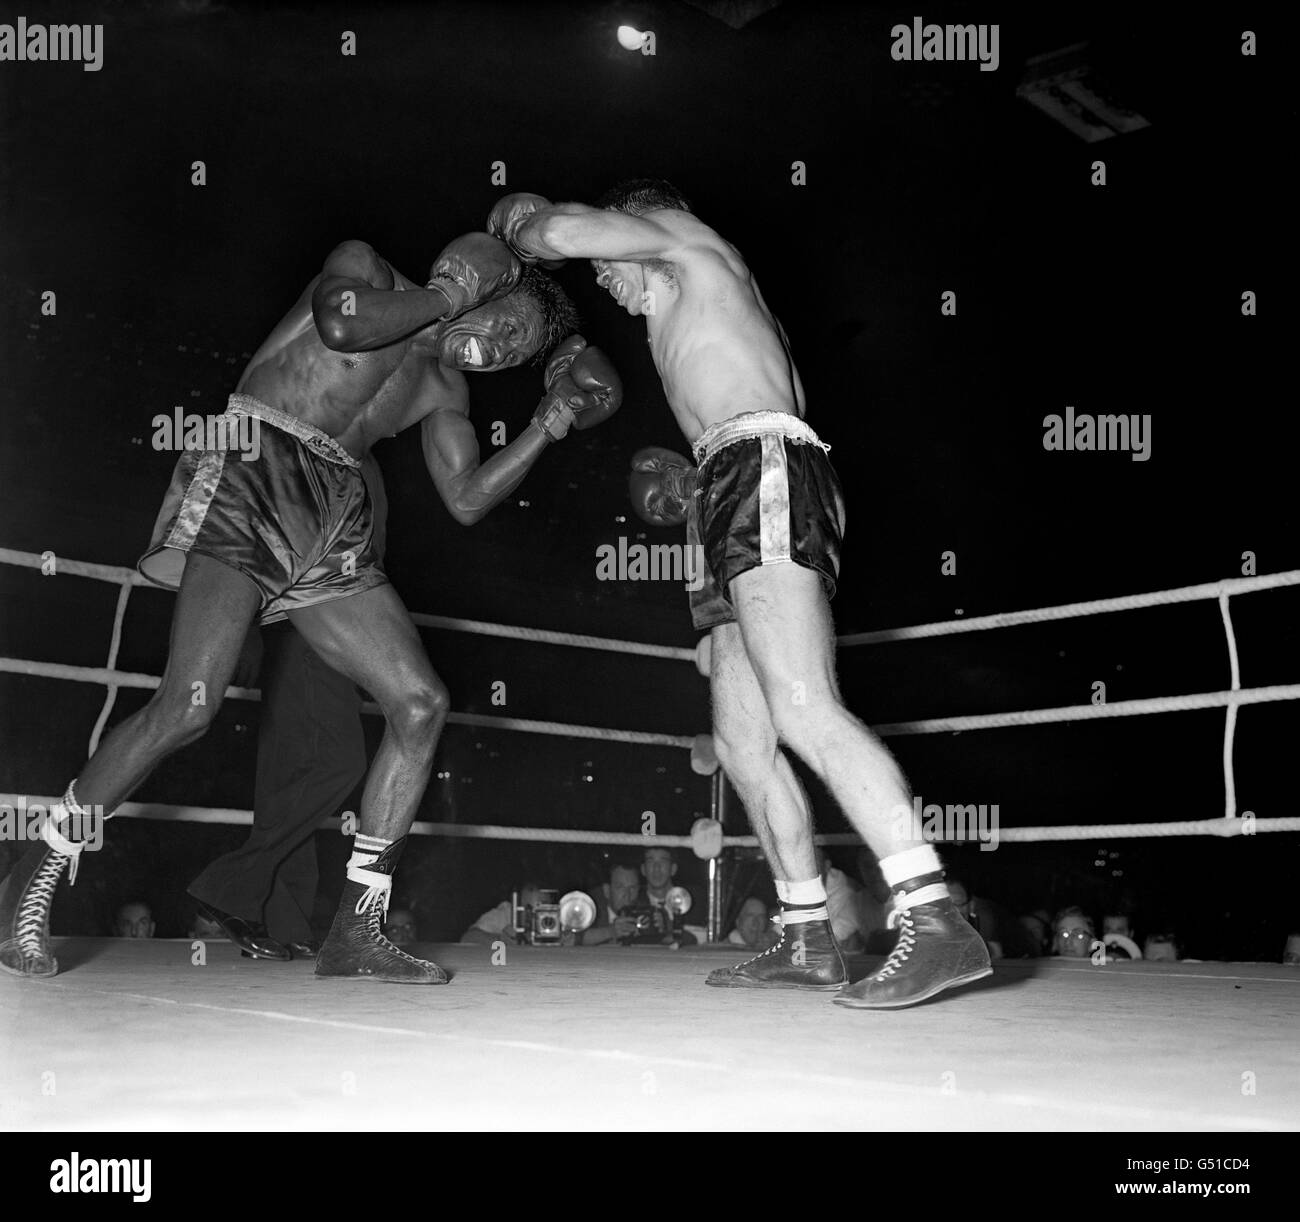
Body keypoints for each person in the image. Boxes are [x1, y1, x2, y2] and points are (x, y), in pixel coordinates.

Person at [0, 231, 620, 986]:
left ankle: (357, 930)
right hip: (261, 457)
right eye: (511, 330)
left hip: (336, 514)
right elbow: (342, 324)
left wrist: (545, 425)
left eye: (520, 358)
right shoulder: (364, 266)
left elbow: (465, 499)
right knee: (187, 707)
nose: (501, 354)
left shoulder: (445, 390)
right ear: (486, 289)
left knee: (420, 704)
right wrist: (448, 295)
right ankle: (35, 869)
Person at [487, 181, 990, 1008]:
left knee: (803, 706)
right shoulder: (682, 307)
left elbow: (564, 229)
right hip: (727, 489)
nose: (605, 286)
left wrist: (513, 225)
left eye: (610, 267)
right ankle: (803, 930)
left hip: (763, 471)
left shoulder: (685, 241)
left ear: (637, 230)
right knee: (744, 744)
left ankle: (934, 916)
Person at [186, 453, 389, 962]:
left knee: (291, 776)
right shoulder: (323, 444)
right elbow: (272, 529)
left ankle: (282, 920)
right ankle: (227, 888)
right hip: (310, 621)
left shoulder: (358, 452)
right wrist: (249, 625)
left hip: (325, 620)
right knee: (338, 762)